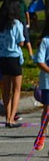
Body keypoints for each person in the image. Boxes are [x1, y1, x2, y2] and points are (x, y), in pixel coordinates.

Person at [0, 1, 33, 128]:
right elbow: (21, 41)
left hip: (2, 57)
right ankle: (12, 118)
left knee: (6, 89)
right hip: (14, 58)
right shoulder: (16, 24)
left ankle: (7, 116)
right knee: (16, 90)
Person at [32, 23, 49, 151]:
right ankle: (42, 133)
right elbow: (39, 60)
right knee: (48, 109)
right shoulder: (45, 41)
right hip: (47, 82)